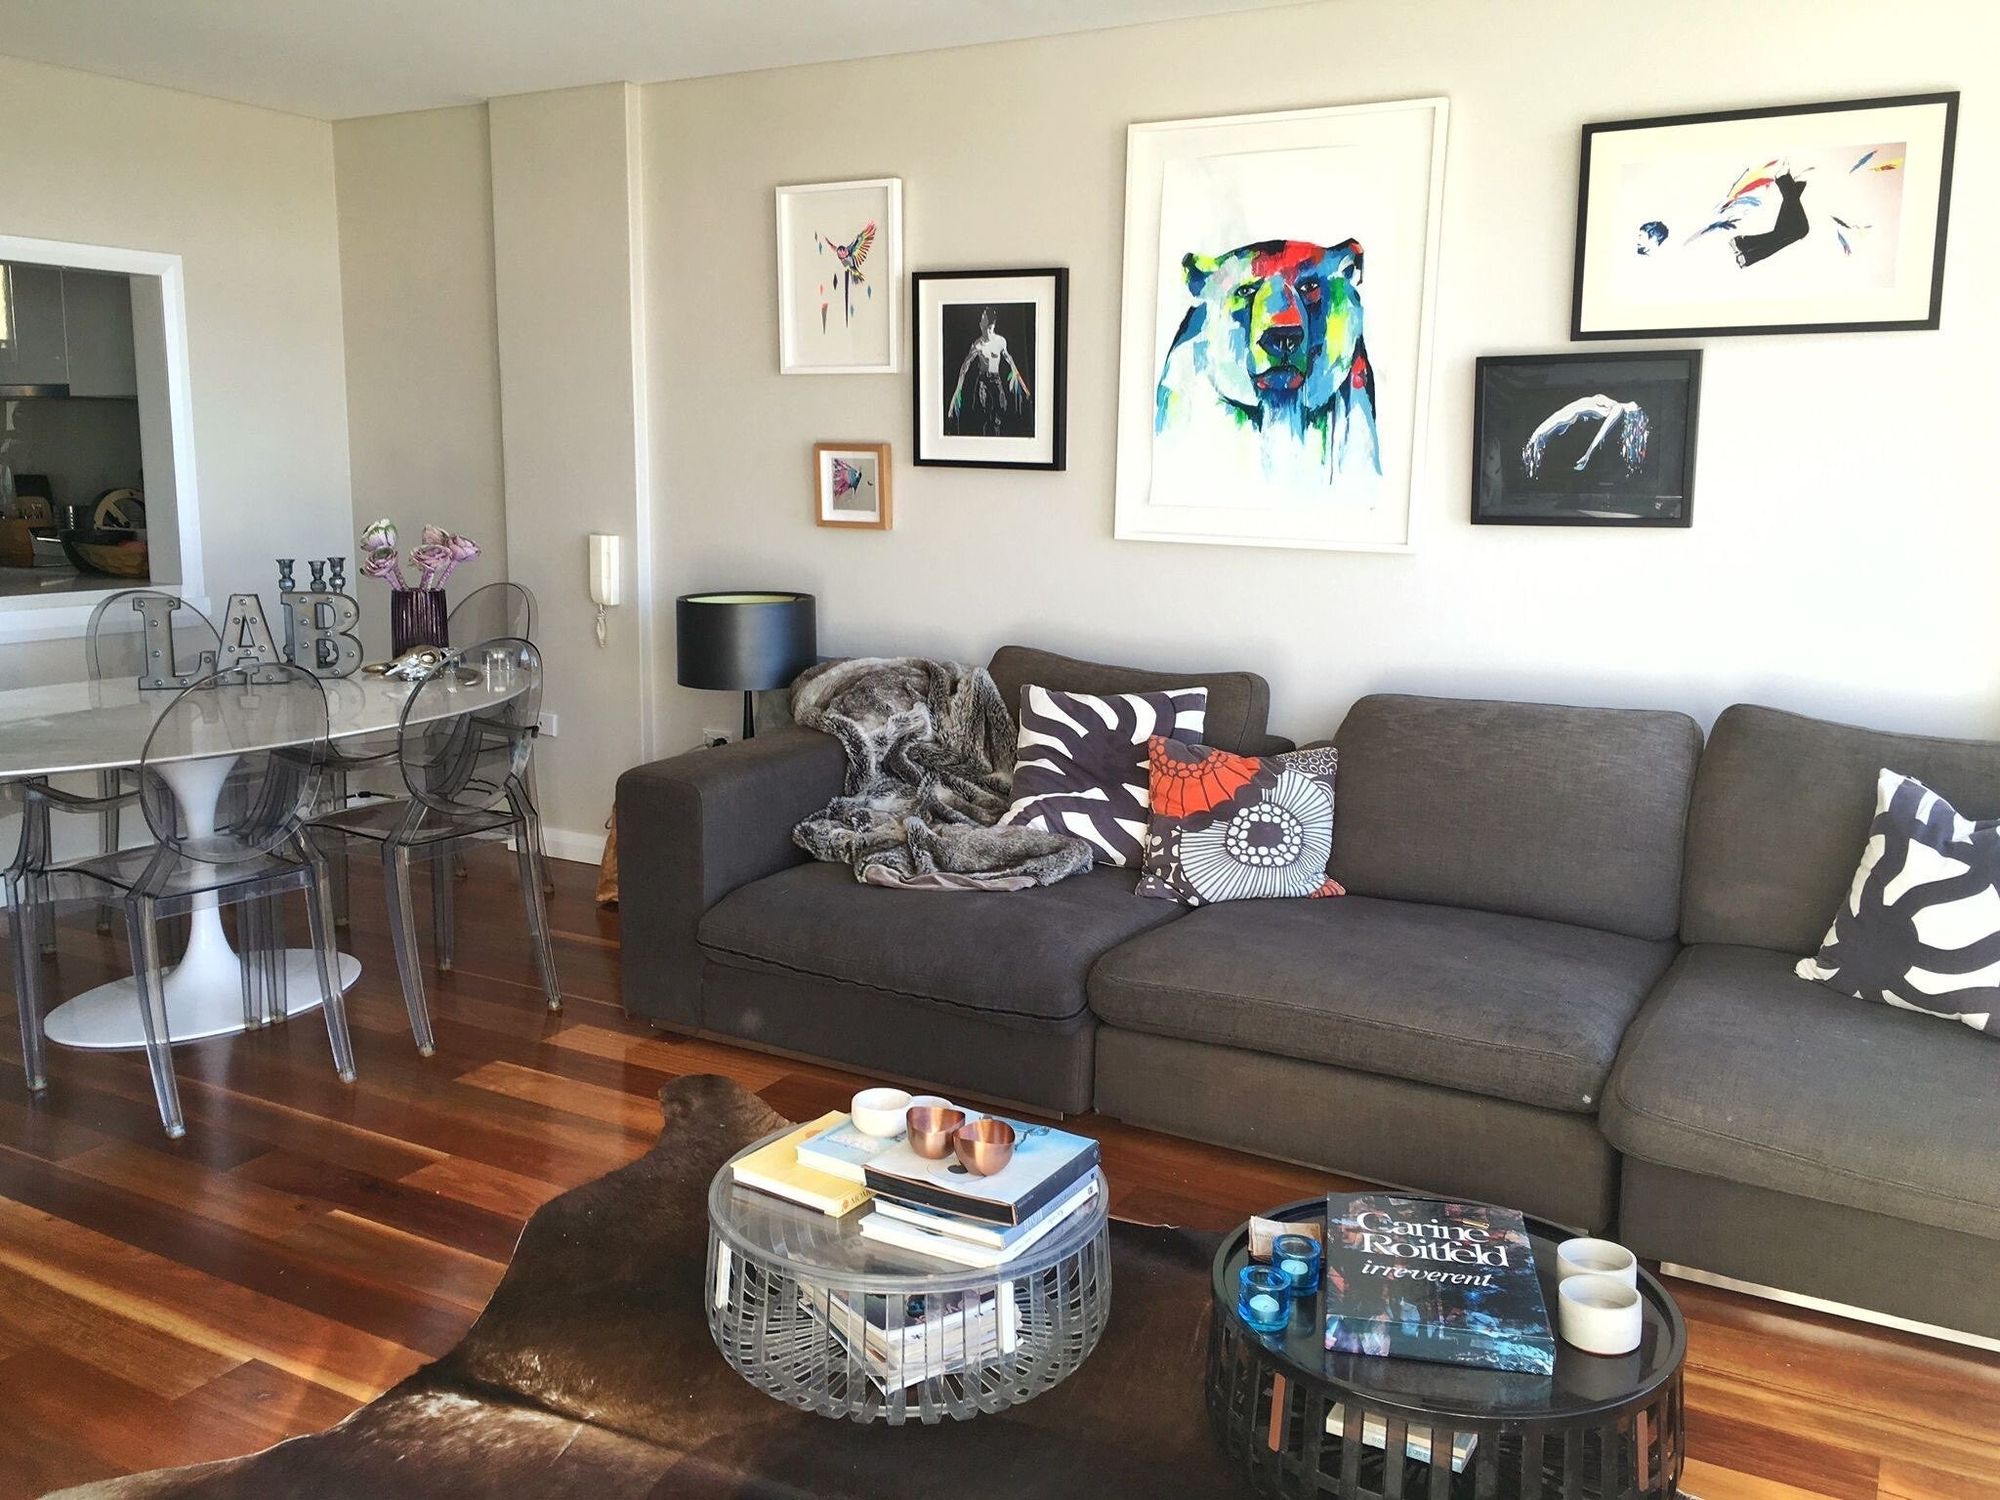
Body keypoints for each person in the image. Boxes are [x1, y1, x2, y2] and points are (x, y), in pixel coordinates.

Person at [946, 307, 1031, 436]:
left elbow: (1011, 363)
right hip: (983, 382)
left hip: (996, 380)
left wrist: (1024, 387)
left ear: (993, 325)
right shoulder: (977, 345)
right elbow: (964, 367)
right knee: (984, 415)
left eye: (988, 326)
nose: (986, 329)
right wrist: (956, 393)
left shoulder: (1001, 342)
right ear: (981, 326)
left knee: (999, 413)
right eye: (984, 325)